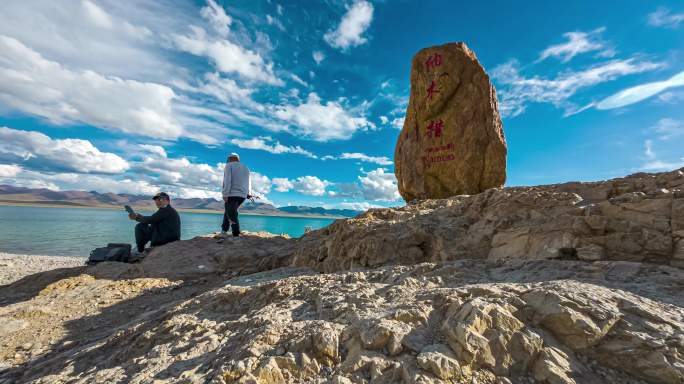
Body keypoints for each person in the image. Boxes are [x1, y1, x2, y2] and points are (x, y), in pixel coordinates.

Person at [222, 152, 251, 237]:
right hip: (242, 195)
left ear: (231, 158)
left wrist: (225, 193)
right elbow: (249, 182)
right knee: (229, 212)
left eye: (228, 159)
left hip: (232, 194)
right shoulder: (246, 168)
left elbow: (227, 180)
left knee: (232, 214)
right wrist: (248, 193)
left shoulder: (229, 166)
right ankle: (224, 230)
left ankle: (236, 233)